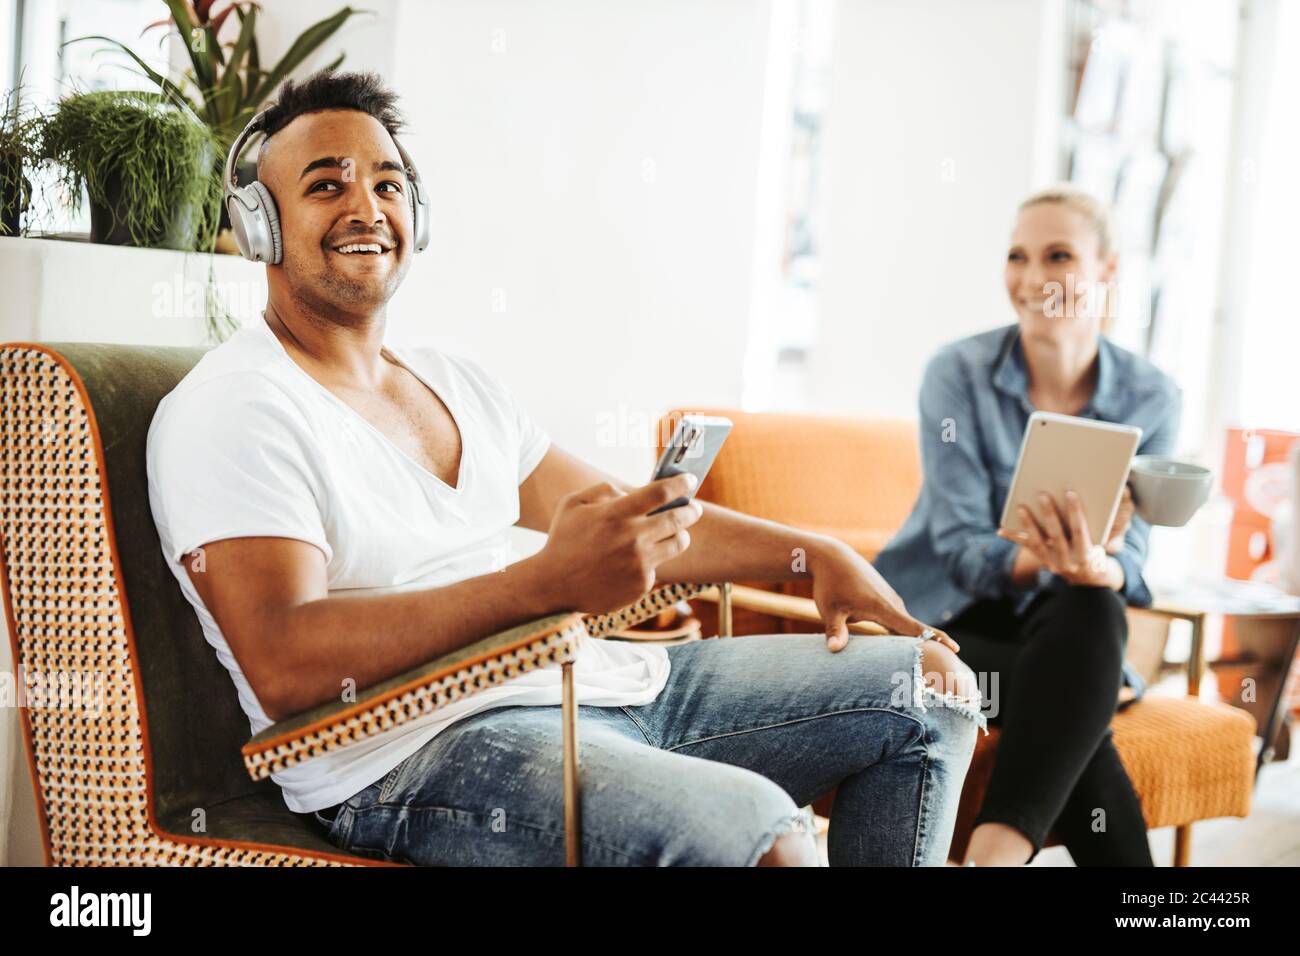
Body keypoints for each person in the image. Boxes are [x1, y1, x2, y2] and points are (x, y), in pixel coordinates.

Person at [145, 70, 983, 867]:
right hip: (418, 752)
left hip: (596, 683)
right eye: (327, 185)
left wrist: (816, 557)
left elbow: (626, 517)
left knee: (933, 689)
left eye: (389, 184)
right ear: (260, 224)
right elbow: (286, 664)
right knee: (761, 838)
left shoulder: (453, 378)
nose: (366, 205)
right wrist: (546, 585)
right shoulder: (237, 408)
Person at [873, 185, 1182, 867]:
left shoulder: (1152, 395)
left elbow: (1130, 561)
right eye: (1018, 256)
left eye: (1059, 256)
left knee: (1091, 606)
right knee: (1075, 694)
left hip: (1060, 628)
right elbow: (959, 553)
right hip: (941, 629)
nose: (1033, 278)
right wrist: (1052, 559)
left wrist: (1094, 566)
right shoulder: (957, 374)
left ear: (1108, 269)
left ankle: (993, 859)